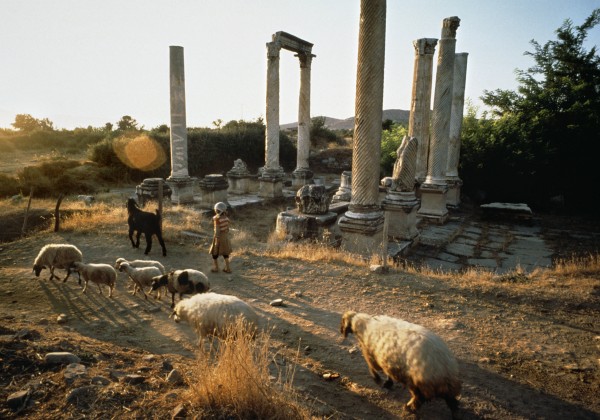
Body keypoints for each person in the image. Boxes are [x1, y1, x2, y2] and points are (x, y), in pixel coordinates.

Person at [209, 202, 232, 273]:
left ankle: (216, 268)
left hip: (219, 237)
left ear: (217, 210)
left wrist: (216, 240)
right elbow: (227, 228)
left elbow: (217, 230)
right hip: (225, 237)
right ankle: (228, 268)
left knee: (214, 254)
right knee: (225, 253)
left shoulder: (217, 220)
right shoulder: (226, 218)